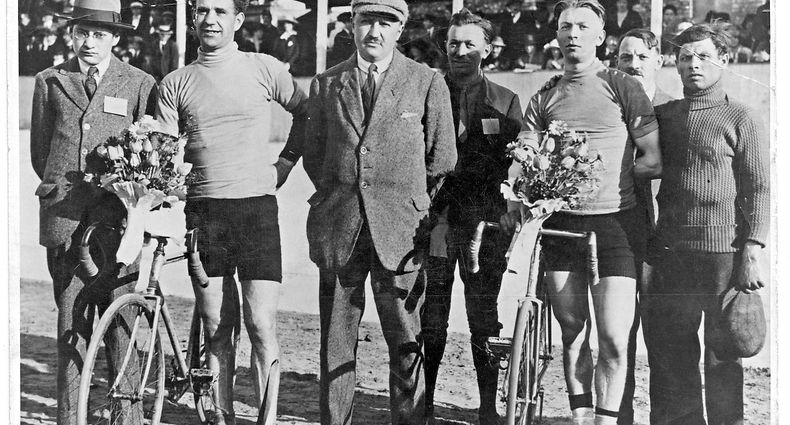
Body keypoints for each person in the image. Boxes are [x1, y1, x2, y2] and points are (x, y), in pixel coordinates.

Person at [500, 1, 661, 424]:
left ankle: (607, 421)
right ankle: (580, 418)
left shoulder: (622, 85)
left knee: (612, 337)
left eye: (582, 26)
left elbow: (653, 159)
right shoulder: (545, 94)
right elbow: (525, 154)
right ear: (556, 34)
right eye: (565, 25)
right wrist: (522, 182)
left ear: (599, 37)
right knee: (572, 333)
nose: (573, 33)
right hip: (561, 227)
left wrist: (605, 180)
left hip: (615, 226)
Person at [154, 0, 309, 423]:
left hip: (257, 210)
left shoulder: (264, 67)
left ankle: (268, 418)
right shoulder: (175, 82)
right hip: (205, 213)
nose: (210, 19)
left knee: (260, 324)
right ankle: (221, 418)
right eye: (203, 10)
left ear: (237, 20)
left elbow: (309, 113)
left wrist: (284, 164)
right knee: (217, 328)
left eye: (220, 11)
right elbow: (162, 153)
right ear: (192, 20)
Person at [302, 0, 457, 422]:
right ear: (352, 24)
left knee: (406, 340)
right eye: (366, 20)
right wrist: (345, 194)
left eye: (386, 22)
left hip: (401, 235)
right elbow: (315, 158)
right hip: (339, 228)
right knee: (336, 341)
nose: (375, 31)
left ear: (401, 28)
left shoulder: (426, 82)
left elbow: (441, 160)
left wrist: (407, 204)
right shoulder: (327, 83)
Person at [30, 0, 158, 423]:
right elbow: (41, 151)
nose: (89, 42)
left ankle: (128, 416)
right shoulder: (50, 80)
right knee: (71, 321)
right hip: (66, 220)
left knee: (121, 316)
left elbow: (150, 152)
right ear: (71, 35)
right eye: (82, 32)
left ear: (116, 38)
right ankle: (72, 416)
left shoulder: (139, 83)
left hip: (118, 222)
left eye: (99, 34)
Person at [644, 23, 769, 425]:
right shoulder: (662, 116)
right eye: (684, 57)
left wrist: (752, 249)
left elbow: (760, 189)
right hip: (670, 253)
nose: (693, 64)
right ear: (675, 66)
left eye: (702, 56)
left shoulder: (741, 117)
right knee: (672, 353)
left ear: (724, 60)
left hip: (723, 256)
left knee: (722, 354)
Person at [421, 9, 523, 425]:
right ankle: (423, 405)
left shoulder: (505, 101)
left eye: (469, 44)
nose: (460, 51)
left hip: (484, 223)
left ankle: (487, 408)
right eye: (452, 43)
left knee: (483, 315)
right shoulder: (427, 91)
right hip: (439, 220)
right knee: (432, 314)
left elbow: (516, 164)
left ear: (487, 49)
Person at [614, 27, 672, 425]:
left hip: (667, 234)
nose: (633, 65)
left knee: (664, 331)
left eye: (642, 57)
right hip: (621, 228)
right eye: (625, 58)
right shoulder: (609, 107)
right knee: (620, 329)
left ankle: (663, 418)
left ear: (659, 61)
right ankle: (620, 416)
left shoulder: (673, 109)